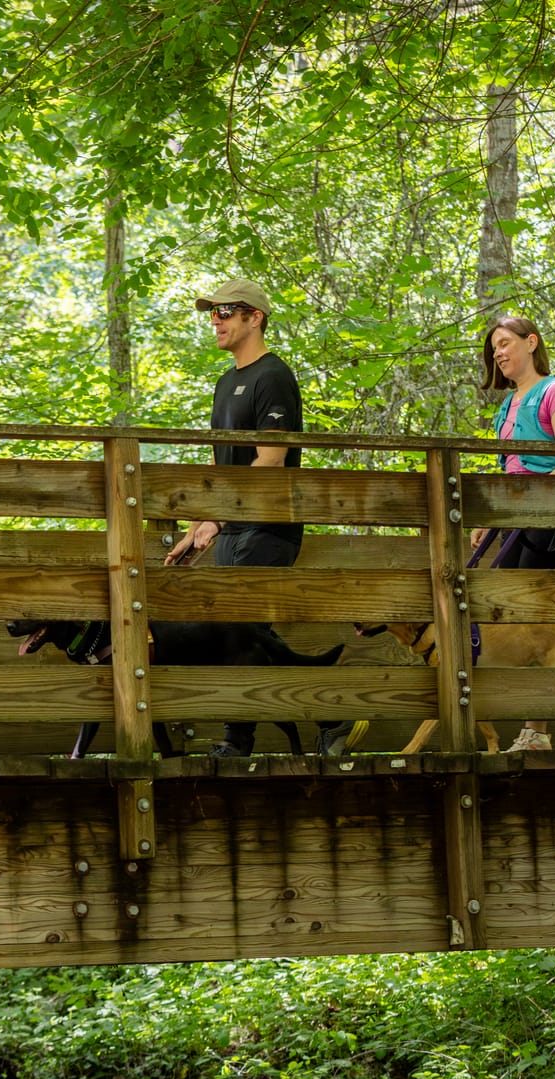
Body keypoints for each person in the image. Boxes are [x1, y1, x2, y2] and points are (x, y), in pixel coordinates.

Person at [164, 278, 364, 758]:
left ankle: (248, 738)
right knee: (243, 631)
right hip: (232, 526)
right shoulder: (224, 381)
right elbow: (221, 463)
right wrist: (200, 523)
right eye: (211, 313)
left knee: (241, 627)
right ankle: (325, 716)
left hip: (268, 525)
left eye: (226, 312)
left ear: (255, 317)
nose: (216, 320)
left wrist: (220, 516)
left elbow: (270, 458)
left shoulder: (273, 376)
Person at [478, 315, 555, 752]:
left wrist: (525, 503)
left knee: (532, 626)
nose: (499, 353)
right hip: (516, 523)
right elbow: (508, 472)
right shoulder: (505, 407)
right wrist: (490, 518)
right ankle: (540, 728)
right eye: (494, 349)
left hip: (551, 523)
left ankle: (539, 730)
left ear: (531, 342)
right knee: (513, 621)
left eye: (505, 343)